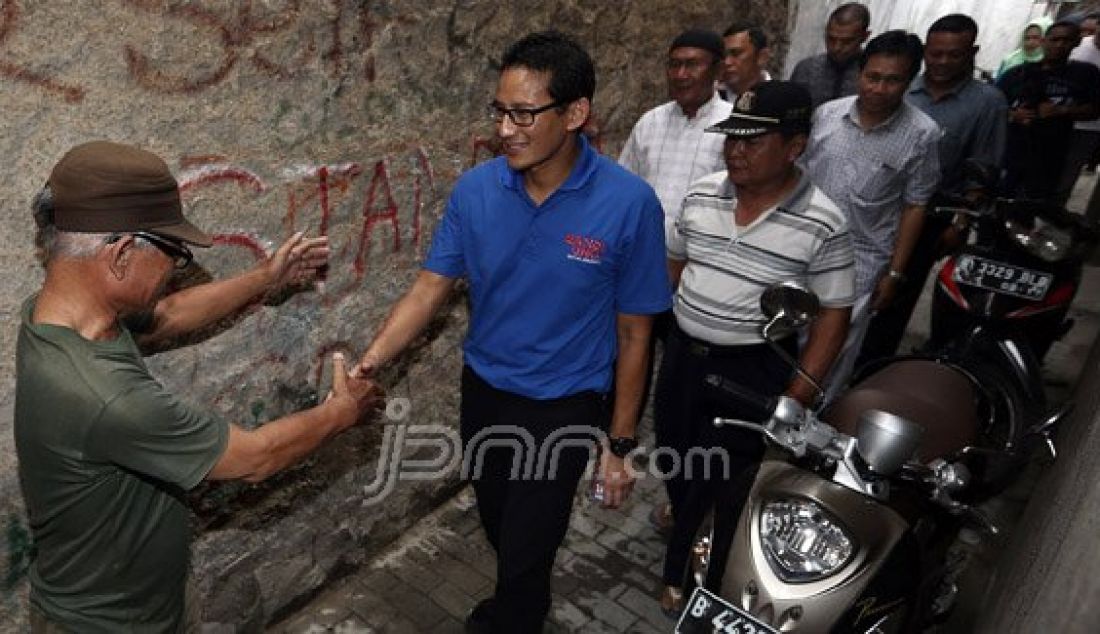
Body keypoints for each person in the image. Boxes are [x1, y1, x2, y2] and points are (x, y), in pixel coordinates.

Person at [354, 31, 670, 633]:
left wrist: (619, 446)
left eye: (524, 113)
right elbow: (429, 289)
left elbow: (636, 335)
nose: (505, 129)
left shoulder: (630, 205)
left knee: (528, 550)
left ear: (575, 113)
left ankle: (514, 617)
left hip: (565, 405)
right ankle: (515, 603)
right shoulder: (476, 191)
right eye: (500, 111)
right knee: (500, 524)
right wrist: (371, 360)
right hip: (486, 390)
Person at [15, 141, 382, 633]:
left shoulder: (54, 314)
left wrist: (265, 278)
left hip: (132, 600)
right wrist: (341, 413)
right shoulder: (107, 396)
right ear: (122, 254)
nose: (176, 270)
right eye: (175, 253)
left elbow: (167, 316)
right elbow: (255, 458)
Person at [655, 81, 855, 615]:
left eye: (753, 141)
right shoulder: (701, 194)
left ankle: (687, 571)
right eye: (731, 139)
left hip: (752, 367)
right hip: (681, 357)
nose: (735, 151)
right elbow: (672, 267)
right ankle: (687, 517)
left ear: (795, 146)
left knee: (718, 479)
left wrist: (802, 391)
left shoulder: (824, 222)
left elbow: (836, 312)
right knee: (675, 456)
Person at [858, 14, 1007, 365]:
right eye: (935, 53)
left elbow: (985, 169)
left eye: (952, 55)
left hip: (930, 215)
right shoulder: (901, 86)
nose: (941, 62)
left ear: (972, 52)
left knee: (893, 298)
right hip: (873, 205)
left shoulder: (987, 103)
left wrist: (959, 223)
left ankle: (870, 369)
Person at [801, 31, 940, 399]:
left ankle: (809, 427)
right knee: (789, 331)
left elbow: (916, 205)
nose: (879, 88)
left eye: (892, 80)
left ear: (909, 82)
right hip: (803, 246)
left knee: (836, 347)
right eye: (872, 77)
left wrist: (894, 272)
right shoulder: (826, 116)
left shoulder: (921, 135)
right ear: (860, 73)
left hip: (860, 259)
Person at [620, 28, 732, 230]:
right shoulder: (650, 122)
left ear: (718, 71)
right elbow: (622, 187)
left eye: (692, 65)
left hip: (701, 251)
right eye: (674, 65)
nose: (680, 75)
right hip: (644, 245)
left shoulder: (732, 125)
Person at [998, 21, 1100, 203]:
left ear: (1077, 42)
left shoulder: (1085, 74)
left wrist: (1062, 110)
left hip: (1051, 155)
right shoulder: (1018, 73)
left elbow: (1094, 110)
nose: (1060, 45)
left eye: (1066, 40)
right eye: (1055, 39)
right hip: (1013, 151)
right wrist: (1014, 115)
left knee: (1032, 207)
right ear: (1044, 41)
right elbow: (994, 107)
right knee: (1000, 201)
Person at [789, 2, 871, 109]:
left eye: (847, 41)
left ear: (865, 37)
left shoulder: (873, 75)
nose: (837, 47)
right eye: (831, 39)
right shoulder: (806, 69)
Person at [1057, 14, 1100, 201]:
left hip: (1091, 128)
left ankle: (1049, 220)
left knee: (1068, 177)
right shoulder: (1078, 47)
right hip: (1058, 120)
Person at [717, 23, 771, 102]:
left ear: (762, 57)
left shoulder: (782, 99)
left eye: (736, 53)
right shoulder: (709, 98)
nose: (727, 62)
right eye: (723, 55)